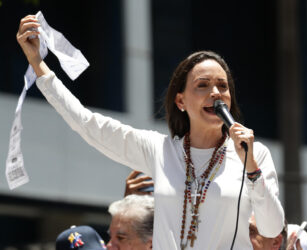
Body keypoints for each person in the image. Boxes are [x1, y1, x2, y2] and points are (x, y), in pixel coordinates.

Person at [17, 15, 285, 249]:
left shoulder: (254, 154)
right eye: (203, 85)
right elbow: (86, 123)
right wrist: (37, 62)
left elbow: (272, 229)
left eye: (222, 87)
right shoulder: (160, 150)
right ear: (181, 101)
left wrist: (250, 167)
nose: (216, 93)